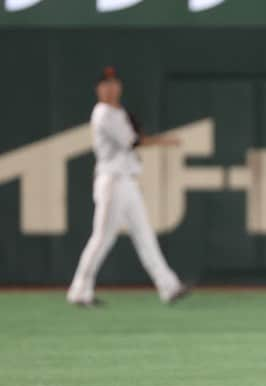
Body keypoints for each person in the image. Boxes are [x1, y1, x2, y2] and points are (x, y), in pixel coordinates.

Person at [67, 67, 188, 306]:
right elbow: (132, 141)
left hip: (127, 182)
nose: (111, 87)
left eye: (114, 82)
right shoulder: (103, 113)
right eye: (106, 83)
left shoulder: (117, 111)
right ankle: (79, 290)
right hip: (112, 181)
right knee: (102, 238)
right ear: (98, 89)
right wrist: (166, 141)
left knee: (145, 235)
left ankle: (169, 286)